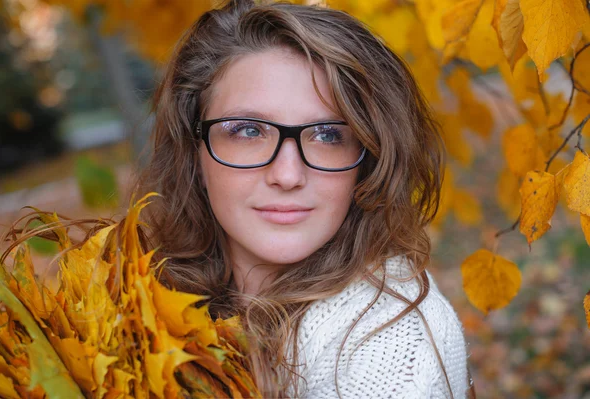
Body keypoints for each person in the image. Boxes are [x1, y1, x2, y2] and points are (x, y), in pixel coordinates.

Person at [133, 0, 472, 397]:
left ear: (368, 160)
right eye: (246, 131)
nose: (288, 175)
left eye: (328, 135)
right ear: (195, 150)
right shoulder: (144, 305)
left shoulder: (392, 342)